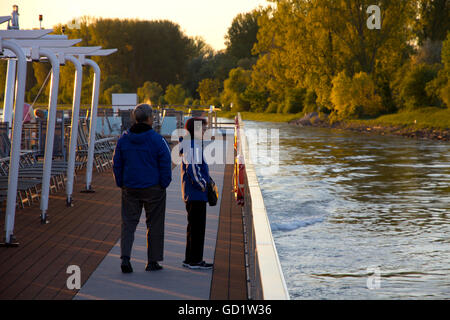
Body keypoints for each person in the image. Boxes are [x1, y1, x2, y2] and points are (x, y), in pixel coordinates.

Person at [113, 104, 172, 273]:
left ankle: (125, 258)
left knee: (128, 223)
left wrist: (120, 183)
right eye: (152, 117)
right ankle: (152, 261)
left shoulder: (124, 139)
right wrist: (164, 183)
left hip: (130, 187)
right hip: (153, 188)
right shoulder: (157, 139)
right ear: (148, 119)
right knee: (154, 224)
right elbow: (165, 163)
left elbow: (117, 163)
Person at [180, 117, 214, 270]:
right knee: (197, 228)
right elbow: (193, 170)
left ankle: (190, 259)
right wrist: (204, 186)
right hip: (196, 194)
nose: (205, 131)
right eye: (204, 128)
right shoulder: (192, 146)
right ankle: (195, 260)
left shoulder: (192, 145)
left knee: (194, 227)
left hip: (194, 193)